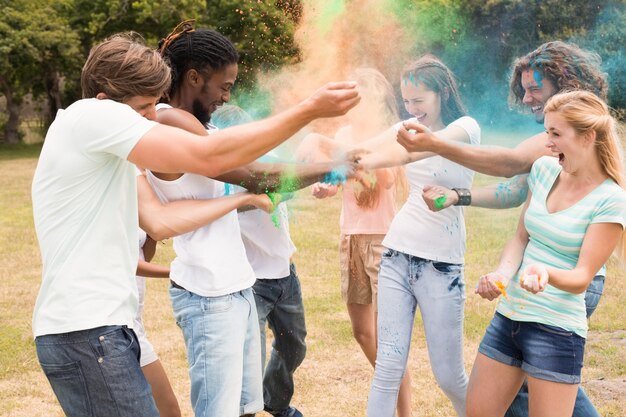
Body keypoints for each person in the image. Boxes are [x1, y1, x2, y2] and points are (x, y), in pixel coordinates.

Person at [31, 33, 359, 417]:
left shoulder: (109, 154)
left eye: (155, 105)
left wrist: (239, 200)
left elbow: (157, 220)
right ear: (106, 100)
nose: (153, 118)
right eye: (143, 108)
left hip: (106, 329)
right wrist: (308, 110)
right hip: (86, 332)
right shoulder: (90, 116)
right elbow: (210, 155)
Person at [148, 22, 358, 417]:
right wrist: (331, 161)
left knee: (245, 408)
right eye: (224, 86)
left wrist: (331, 164)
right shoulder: (168, 122)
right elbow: (258, 177)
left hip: (236, 285)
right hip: (207, 295)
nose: (228, 96)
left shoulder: (200, 126)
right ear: (194, 78)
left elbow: (260, 167)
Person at [412, 41, 609, 417]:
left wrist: (435, 143)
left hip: (567, 279)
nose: (528, 97)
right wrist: (458, 195)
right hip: (530, 277)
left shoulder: (569, 137)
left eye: (536, 88)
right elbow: (516, 190)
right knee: (522, 385)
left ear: (563, 83)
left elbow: (510, 162)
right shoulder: (554, 148)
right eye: (524, 89)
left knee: (528, 385)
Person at [466, 90, 626, 417]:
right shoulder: (543, 170)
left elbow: (583, 277)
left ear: (588, 137)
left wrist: (546, 273)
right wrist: (501, 274)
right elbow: (520, 237)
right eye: (546, 132)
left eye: (556, 134)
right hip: (509, 318)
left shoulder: (611, 200)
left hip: (556, 331)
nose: (548, 142)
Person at [349, 55, 480, 417]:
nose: (412, 109)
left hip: (442, 266)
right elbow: (371, 145)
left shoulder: (466, 128)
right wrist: (338, 154)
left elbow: (411, 149)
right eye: (406, 101)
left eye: (419, 100)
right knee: (388, 369)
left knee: (449, 377)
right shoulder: (408, 124)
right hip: (397, 255)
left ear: (442, 93)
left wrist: (371, 160)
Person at [304, 68, 412, 417]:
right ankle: (389, 384)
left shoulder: (389, 137)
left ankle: (403, 411)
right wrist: (327, 187)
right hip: (349, 240)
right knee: (362, 333)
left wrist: (346, 150)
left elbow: (386, 179)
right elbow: (339, 176)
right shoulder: (344, 134)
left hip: (382, 242)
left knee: (389, 339)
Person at [212, 103, 307, 417]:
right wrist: (256, 199)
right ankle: (246, 410)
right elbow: (226, 204)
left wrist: (278, 192)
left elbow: (290, 179)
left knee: (294, 346)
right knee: (249, 357)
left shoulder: (269, 162)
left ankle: (275, 401)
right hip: (250, 280)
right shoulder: (219, 174)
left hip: (284, 273)